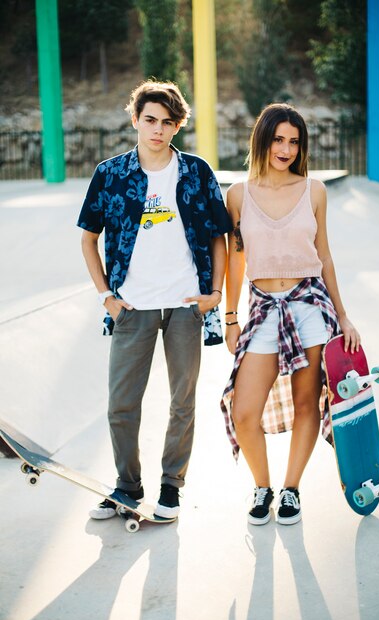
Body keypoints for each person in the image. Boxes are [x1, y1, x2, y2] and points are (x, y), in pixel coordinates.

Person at [78, 79, 232, 520]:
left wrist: (214, 294)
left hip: (186, 306)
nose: (158, 129)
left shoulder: (196, 172)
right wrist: (107, 295)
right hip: (132, 306)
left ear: (177, 126)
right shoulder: (110, 175)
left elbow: (219, 235)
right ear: (135, 120)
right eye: (150, 120)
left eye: (168, 122)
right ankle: (127, 485)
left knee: (182, 401)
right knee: (121, 403)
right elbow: (88, 240)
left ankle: (171, 488)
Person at [221, 103, 360, 526]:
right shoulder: (238, 195)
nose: (285, 149)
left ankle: (290, 491)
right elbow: (235, 260)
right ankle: (261, 486)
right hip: (264, 310)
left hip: (310, 306)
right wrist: (230, 318)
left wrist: (345, 317)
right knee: (244, 411)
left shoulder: (314, 190)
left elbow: (325, 257)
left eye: (294, 141)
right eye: (278, 139)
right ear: (262, 139)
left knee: (307, 405)